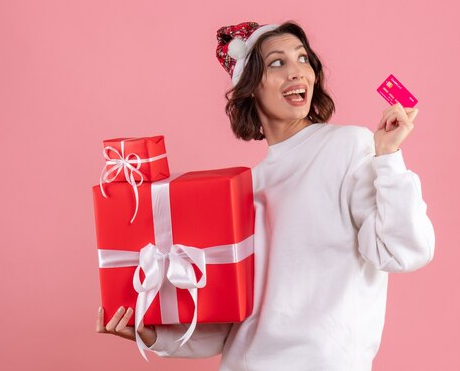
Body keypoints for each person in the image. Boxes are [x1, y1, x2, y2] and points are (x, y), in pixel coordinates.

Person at [95, 20, 435, 371]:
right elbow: (229, 323)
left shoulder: (349, 145)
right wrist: (151, 333)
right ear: (250, 85)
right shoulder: (245, 186)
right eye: (277, 63)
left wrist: (389, 158)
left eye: (304, 59)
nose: (296, 72)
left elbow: (403, 251)